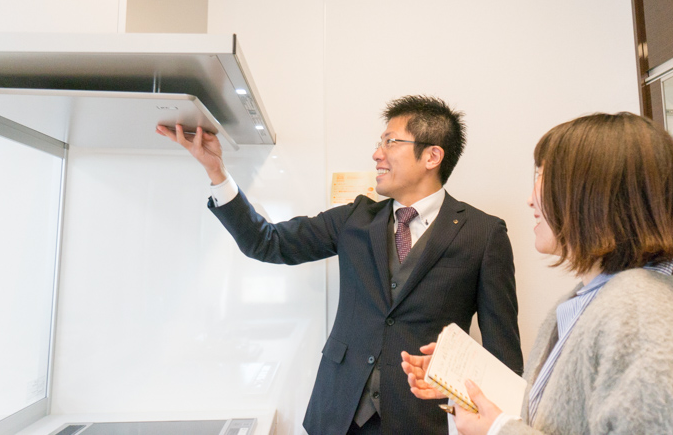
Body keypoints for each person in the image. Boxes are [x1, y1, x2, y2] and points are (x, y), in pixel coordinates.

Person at [157, 95, 523, 435]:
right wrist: (217, 172)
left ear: (432, 156)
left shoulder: (483, 234)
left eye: (390, 142)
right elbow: (267, 242)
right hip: (338, 414)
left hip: (423, 421)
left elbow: (502, 357)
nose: (377, 154)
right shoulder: (355, 219)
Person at [401, 112, 673, 435]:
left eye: (542, 177)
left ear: (594, 195)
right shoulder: (597, 298)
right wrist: (471, 383)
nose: (530, 200)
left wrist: (499, 430)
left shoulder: (640, 312)